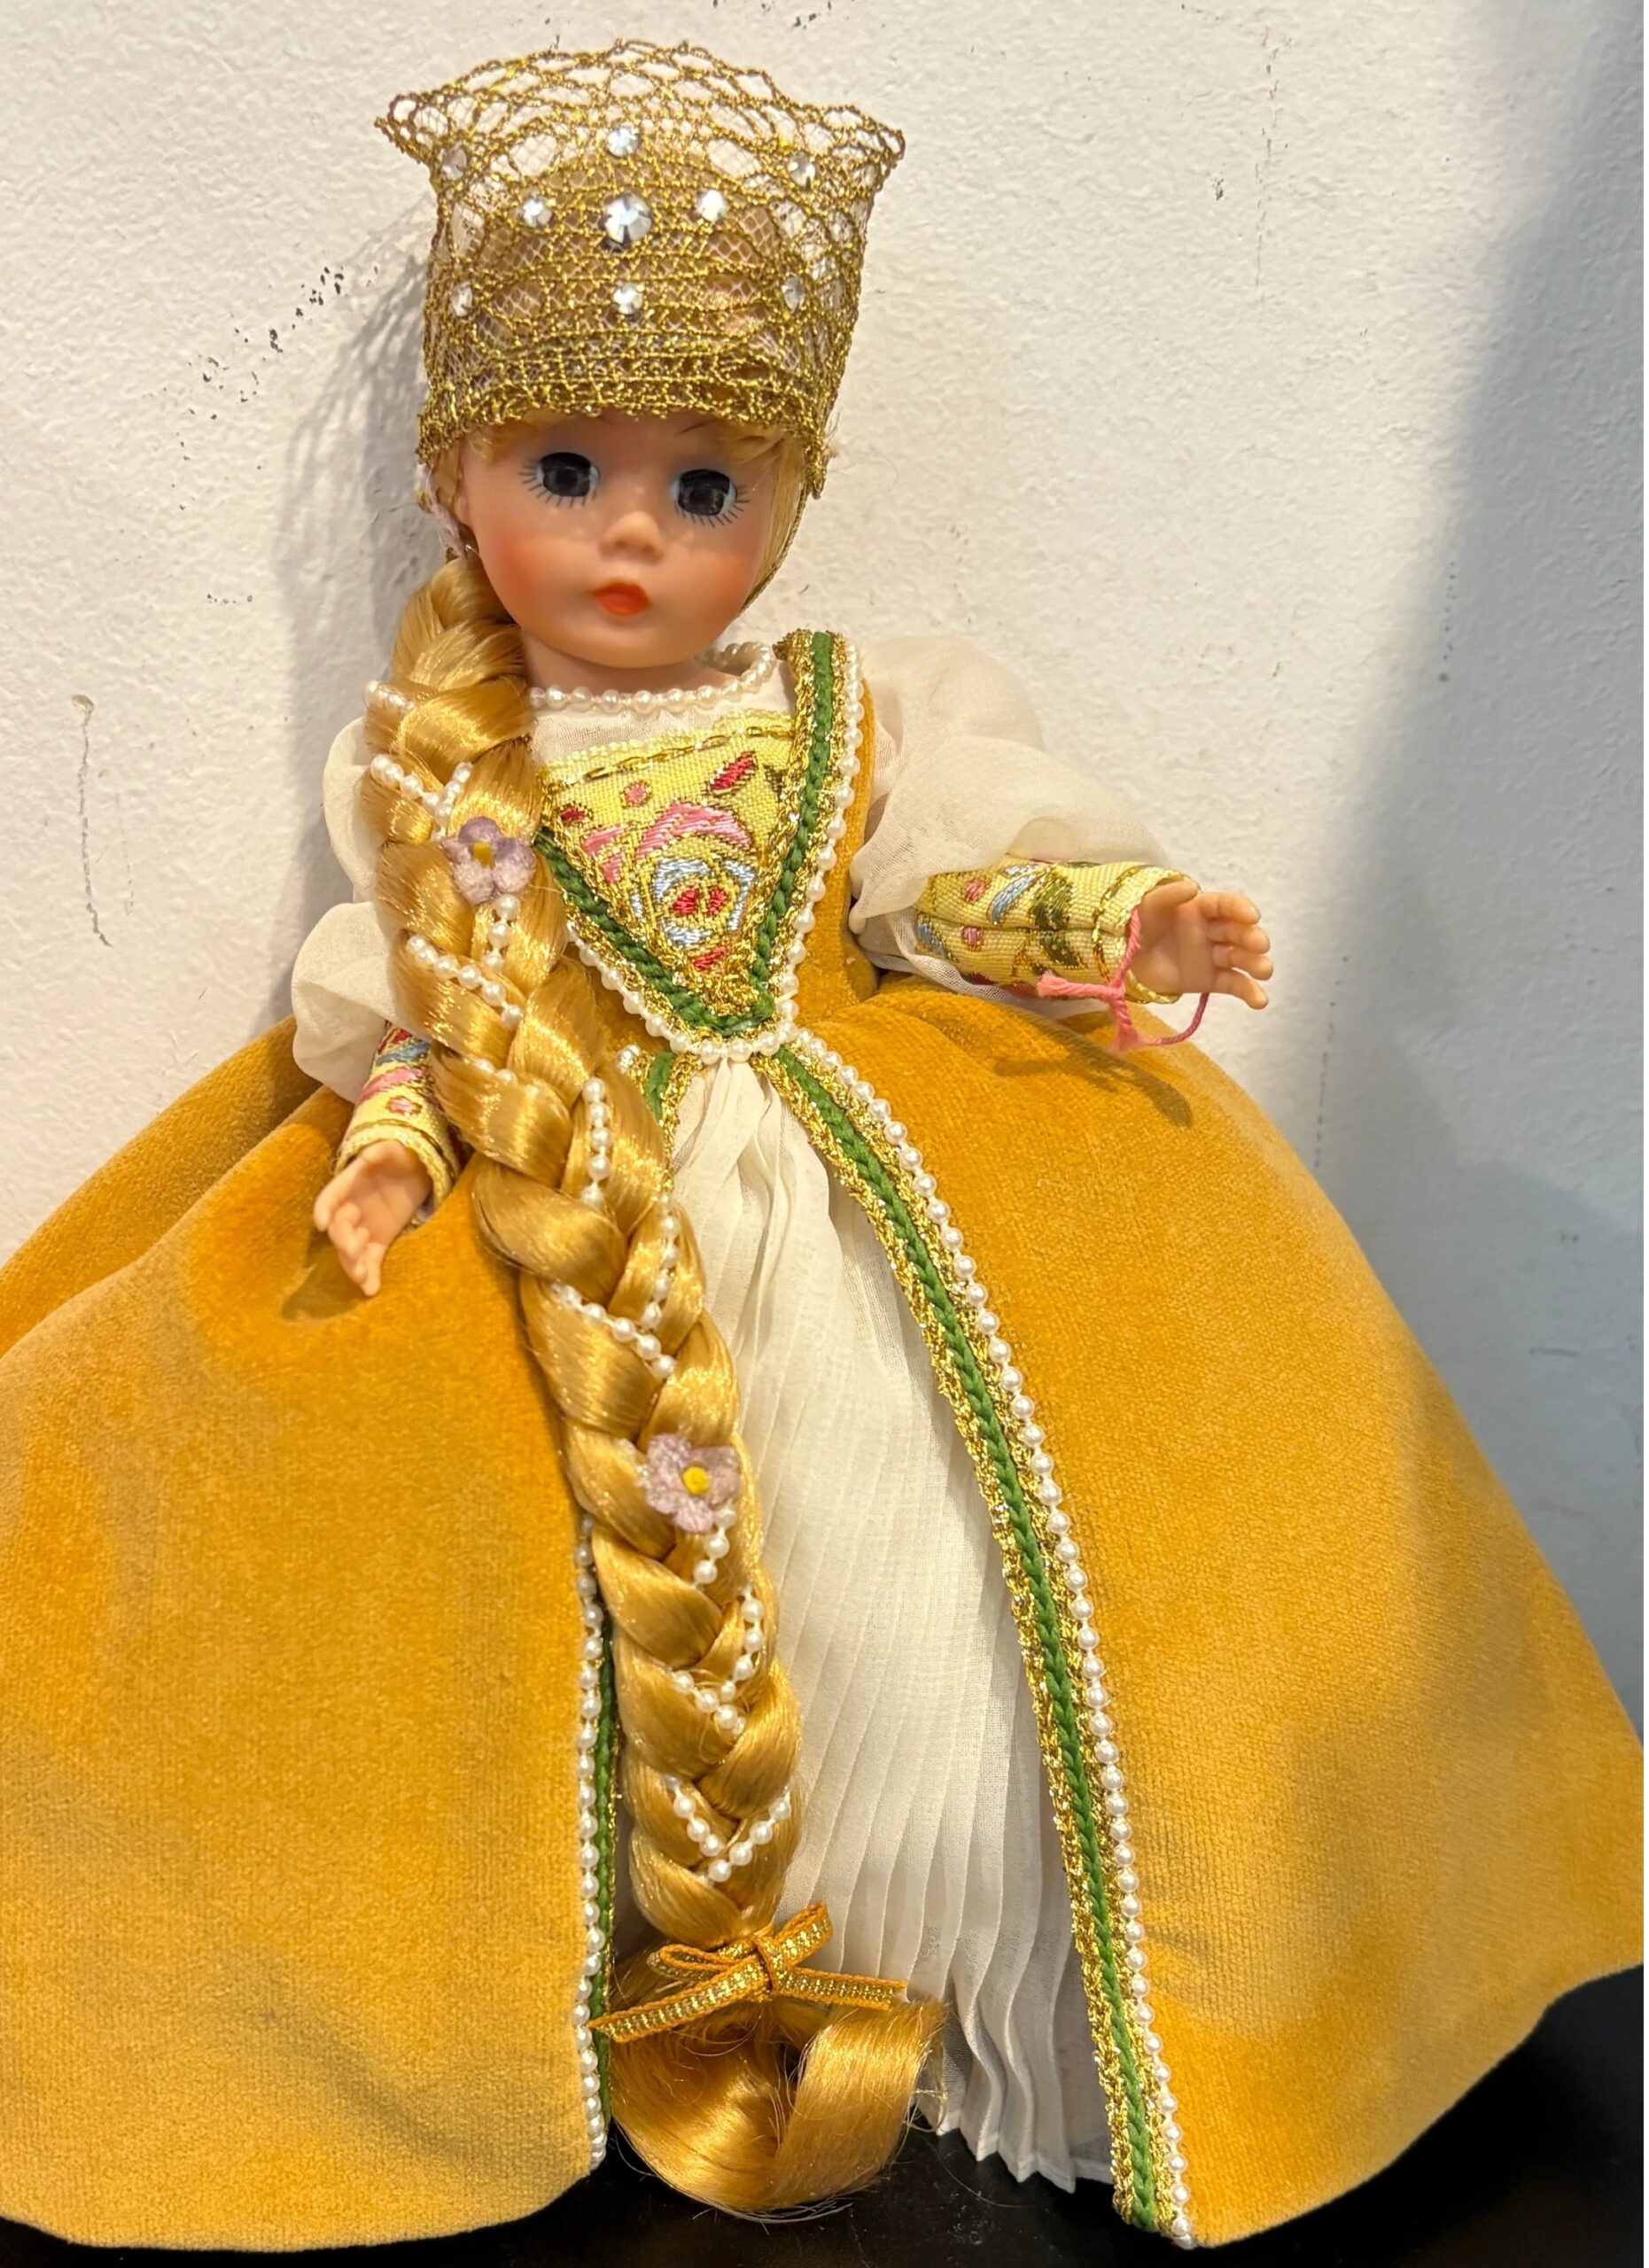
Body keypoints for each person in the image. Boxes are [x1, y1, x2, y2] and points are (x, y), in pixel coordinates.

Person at [0, 35, 1637, 2256]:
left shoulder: (863, 705)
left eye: (705, 486)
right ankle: (644, 1979)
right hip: (589, 1221)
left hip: (870, 1220)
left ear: (787, 501)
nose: (631, 531)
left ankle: (950, 1971)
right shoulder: (444, 767)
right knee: (553, 1615)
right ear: (453, 480)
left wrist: (1120, 922)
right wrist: (391, 1138)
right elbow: (427, 1002)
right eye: (568, 468)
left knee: (921, 1592)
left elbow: (952, 880)